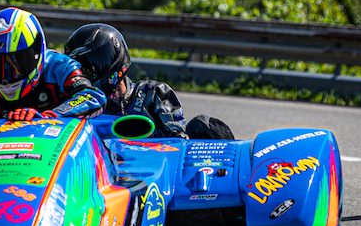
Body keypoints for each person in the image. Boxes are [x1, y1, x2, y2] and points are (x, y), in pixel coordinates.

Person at [64, 23, 234, 139]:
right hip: (98, 174)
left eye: (87, 69)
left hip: (153, 174)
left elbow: (177, 139)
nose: (80, 76)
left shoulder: (153, 93)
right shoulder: (77, 104)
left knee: (204, 126)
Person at [0, 7, 105, 121]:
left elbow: (92, 97)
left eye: (16, 62)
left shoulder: (59, 67)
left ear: (37, 51)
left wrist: (51, 115)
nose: (5, 77)